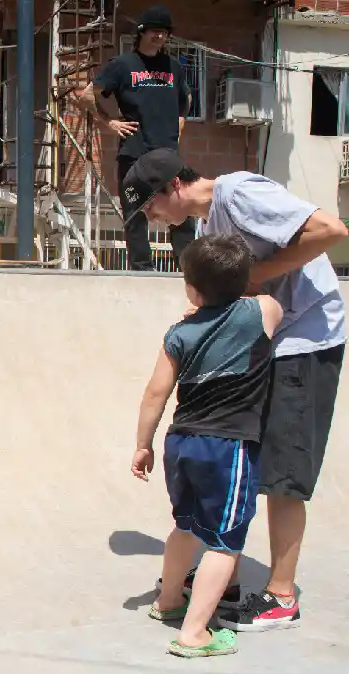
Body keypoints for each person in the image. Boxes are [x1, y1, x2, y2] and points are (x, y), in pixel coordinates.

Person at [123, 147, 348, 632]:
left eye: (150, 207)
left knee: (284, 472)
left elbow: (331, 230)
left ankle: (281, 596)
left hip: (306, 337)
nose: (154, 219)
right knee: (246, 456)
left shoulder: (240, 193)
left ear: (172, 187)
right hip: (268, 345)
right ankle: (221, 578)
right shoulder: (208, 229)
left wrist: (257, 277)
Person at [131, 234, 283, 658]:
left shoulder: (179, 332)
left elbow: (154, 395)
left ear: (191, 287)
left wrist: (143, 445)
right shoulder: (259, 313)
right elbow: (273, 304)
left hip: (180, 444)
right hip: (228, 447)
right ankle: (194, 633)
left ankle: (167, 601)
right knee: (225, 542)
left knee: (185, 525)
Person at [75, 5, 193, 271]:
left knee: (183, 211)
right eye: (154, 31)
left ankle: (189, 270)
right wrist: (110, 122)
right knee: (135, 213)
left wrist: (180, 123)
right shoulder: (122, 65)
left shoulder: (173, 67)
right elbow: (86, 96)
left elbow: (186, 100)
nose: (159, 37)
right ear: (141, 32)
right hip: (135, 152)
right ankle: (142, 270)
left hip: (167, 154)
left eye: (164, 33)